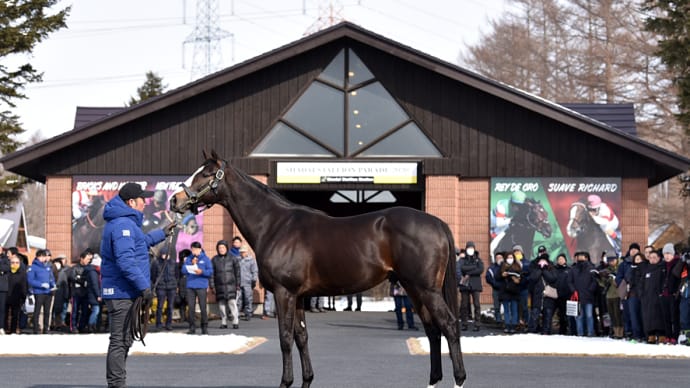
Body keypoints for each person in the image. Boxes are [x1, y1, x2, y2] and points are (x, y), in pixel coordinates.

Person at [100, 182, 173, 388]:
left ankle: (117, 382)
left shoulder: (127, 223)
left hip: (124, 291)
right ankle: (116, 384)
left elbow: (141, 242)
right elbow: (125, 261)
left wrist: (163, 233)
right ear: (132, 202)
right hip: (121, 292)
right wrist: (144, 287)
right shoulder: (123, 225)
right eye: (143, 199)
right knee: (120, 341)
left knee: (124, 340)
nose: (145, 202)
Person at [182, 241, 213, 334]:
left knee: (203, 307)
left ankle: (204, 327)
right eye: (192, 249)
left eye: (196, 249)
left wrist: (202, 272)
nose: (194, 251)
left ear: (200, 249)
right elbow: (183, 270)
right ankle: (192, 327)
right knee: (191, 307)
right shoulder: (188, 259)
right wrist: (191, 264)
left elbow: (210, 272)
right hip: (190, 286)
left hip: (201, 286)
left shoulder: (206, 259)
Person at [210, 240, 241, 329]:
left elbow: (237, 272)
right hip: (219, 286)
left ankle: (235, 321)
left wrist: (238, 284)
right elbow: (212, 274)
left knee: (232, 304)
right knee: (221, 305)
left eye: (223, 247)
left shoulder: (233, 258)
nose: (221, 249)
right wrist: (212, 286)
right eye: (219, 248)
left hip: (231, 285)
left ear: (226, 248)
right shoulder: (214, 259)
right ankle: (224, 322)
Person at [639, 249, 667, 344]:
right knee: (649, 317)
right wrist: (642, 295)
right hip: (647, 298)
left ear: (659, 258)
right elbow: (641, 283)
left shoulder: (662, 268)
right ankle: (651, 336)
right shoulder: (646, 269)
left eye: (655, 257)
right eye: (651, 258)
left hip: (659, 297)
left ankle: (661, 335)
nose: (653, 259)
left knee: (659, 317)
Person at [568, 251, 597, 337]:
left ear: (586, 258)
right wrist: (574, 291)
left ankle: (590, 333)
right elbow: (569, 282)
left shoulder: (591, 268)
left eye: (582, 256)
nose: (580, 258)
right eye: (578, 256)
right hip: (577, 297)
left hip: (588, 296)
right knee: (579, 317)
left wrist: (590, 290)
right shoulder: (573, 269)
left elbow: (595, 281)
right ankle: (580, 333)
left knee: (589, 316)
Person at [27, 249, 56, 334]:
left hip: (48, 292)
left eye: (45, 256)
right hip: (39, 292)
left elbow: (51, 277)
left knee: (47, 311)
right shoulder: (33, 267)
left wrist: (53, 284)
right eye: (43, 256)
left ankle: (46, 328)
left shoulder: (47, 267)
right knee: (37, 311)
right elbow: (30, 280)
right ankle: (36, 328)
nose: (44, 258)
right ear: (38, 257)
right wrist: (40, 284)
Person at [528, 251, 558, 334]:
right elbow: (533, 278)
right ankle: (532, 330)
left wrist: (544, 270)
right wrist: (539, 269)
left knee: (547, 314)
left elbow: (553, 278)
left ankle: (546, 331)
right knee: (535, 314)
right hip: (537, 295)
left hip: (548, 296)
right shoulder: (535, 268)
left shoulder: (552, 268)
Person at [458, 241, 484, 331]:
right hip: (465, 284)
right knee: (464, 305)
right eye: (469, 248)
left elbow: (481, 269)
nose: (470, 250)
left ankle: (477, 323)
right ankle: (464, 323)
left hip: (475, 285)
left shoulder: (478, 259)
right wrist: (473, 268)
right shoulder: (462, 259)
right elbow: (461, 268)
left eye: (472, 248)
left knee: (477, 304)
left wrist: (468, 273)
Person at [150, 247, 178, 331]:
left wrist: (176, 284)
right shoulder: (156, 263)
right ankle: (158, 323)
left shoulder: (173, 263)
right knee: (160, 306)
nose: (166, 256)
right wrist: (157, 283)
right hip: (161, 287)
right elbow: (153, 275)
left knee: (170, 306)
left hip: (171, 287)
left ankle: (169, 323)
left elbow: (177, 275)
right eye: (164, 254)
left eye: (167, 254)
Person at [616, 243, 639, 339]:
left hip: (637, 292)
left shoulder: (640, 262)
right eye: (632, 249)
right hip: (626, 292)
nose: (633, 251)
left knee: (636, 313)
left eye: (635, 249)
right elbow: (618, 277)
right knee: (626, 313)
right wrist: (624, 285)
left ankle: (637, 332)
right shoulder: (624, 264)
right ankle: (628, 331)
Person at [659, 243, 680, 344]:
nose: (667, 256)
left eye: (669, 253)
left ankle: (675, 336)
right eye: (665, 254)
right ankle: (668, 335)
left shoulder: (677, 263)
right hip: (664, 294)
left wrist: (676, 291)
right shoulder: (662, 265)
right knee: (665, 317)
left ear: (673, 254)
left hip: (673, 294)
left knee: (674, 317)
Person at [69, 249, 94, 333]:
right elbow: (72, 278)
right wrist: (82, 281)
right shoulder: (75, 268)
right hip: (76, 293)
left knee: (85, 311)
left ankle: (82, 326)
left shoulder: (90, 268)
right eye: (87, 259)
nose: (88, 261)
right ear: (82, 258)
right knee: (75, 311)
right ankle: (73, 326)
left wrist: (80, 279)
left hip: (86, 293)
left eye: (89, 259)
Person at [599, 256, 623, 339]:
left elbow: (621, 282)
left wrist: (615, 277)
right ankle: (615, 332)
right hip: (609, 295)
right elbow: (603, 284)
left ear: (616, 260)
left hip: (618, 294)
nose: (611, 262)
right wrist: (599, 278)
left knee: (618, 315)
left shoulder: (620, 268)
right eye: (609, 261)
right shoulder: (607, 270)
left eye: (613, 260)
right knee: (612, 315)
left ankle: (620, 332)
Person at [625, 252, 646, 343]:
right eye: (636, 259)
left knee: (642, 316)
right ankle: (636, 334)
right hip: (633, 295)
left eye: (640, 259)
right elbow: (628, 279)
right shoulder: (631, 269)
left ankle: (644, 334)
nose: (638, 261)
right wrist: (632, 270)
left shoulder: (645, 268)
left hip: (643, 295)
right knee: (633, 316)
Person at [499, 252, 521, 334]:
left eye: (511, 257)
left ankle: (514, 325)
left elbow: (521, 277)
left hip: (514, 291)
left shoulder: (517, 266)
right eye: (508, 257)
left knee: (514, 309)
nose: (510, 259)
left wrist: (518, 280)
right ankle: (507, 324)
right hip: (505, 290)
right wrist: (502, 275)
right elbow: (497, 277)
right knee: (506, 309)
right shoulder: (502, 266)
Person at [5, 253, 27, 334]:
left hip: (17, 297)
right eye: (13, 262)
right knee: (6, 314)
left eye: (17, 263)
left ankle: (13, 330)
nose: (15, 264)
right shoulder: (6, 273)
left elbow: (24, 286)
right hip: (6, 296)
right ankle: (5, 328)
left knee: (15, 315)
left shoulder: (22, 273)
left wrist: (24, 297)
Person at [672, 250, 690, 345]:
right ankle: (687, 337)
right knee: (684, 316)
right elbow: (675, 273)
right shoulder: (684, 264)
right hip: (685, 293)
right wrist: (682, 261)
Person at [238, 245, 258, 321]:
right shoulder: (238, 260)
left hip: (248, 282)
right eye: (241, 252)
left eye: (243, 252)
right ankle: (237, 313)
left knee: (248, 298)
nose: (242, 253)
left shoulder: (251, 261)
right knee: (238, 299)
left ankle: (248, 313)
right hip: (239, 282)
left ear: (247, 252)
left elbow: (254, 271)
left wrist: (254, 280)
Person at [553, 253, 572, 335]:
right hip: (555, 295)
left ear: (565, 260)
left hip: (566, 295)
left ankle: (567, 329)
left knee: (566, 314)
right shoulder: (554, 269)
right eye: (559, 259)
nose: (560, 260)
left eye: (562, 259)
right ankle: (560, 330)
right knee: (559, 314)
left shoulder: (569, 270)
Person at [50, 254, 70, 331]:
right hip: (53, 292)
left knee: (59, 309)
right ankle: (53, 323)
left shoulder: (65, 271)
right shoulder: (52, 269)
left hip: (60, 292)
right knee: (53, 309)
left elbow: (65, 284)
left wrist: (66, 293)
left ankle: (58, 324)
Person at [485, 251, 504, 325]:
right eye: (497, 258)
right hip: (496, 289)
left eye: (500, 257)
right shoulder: (492, 268)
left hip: (505, 289)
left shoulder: (506, 266)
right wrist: (494, 284)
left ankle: (507, 320)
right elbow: (488, 277)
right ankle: (498, 320)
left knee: (506, 306)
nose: (499, 259)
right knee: (497, 306)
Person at [177, 249, 191, 323]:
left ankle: (190, 317)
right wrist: (177, 286)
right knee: (182, 303)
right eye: (184, 257)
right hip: (181, 285)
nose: (185, 258)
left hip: (189, 285)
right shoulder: (179, 266)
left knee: (190, 302)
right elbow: (177, 276)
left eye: (187, 257)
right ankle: (182, 317)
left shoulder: (192, 265)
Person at [0, 247, 9, 335]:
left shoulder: (5, 258)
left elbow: (7, 268)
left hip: (2, 287)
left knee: (2, 309)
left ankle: (1, 326)